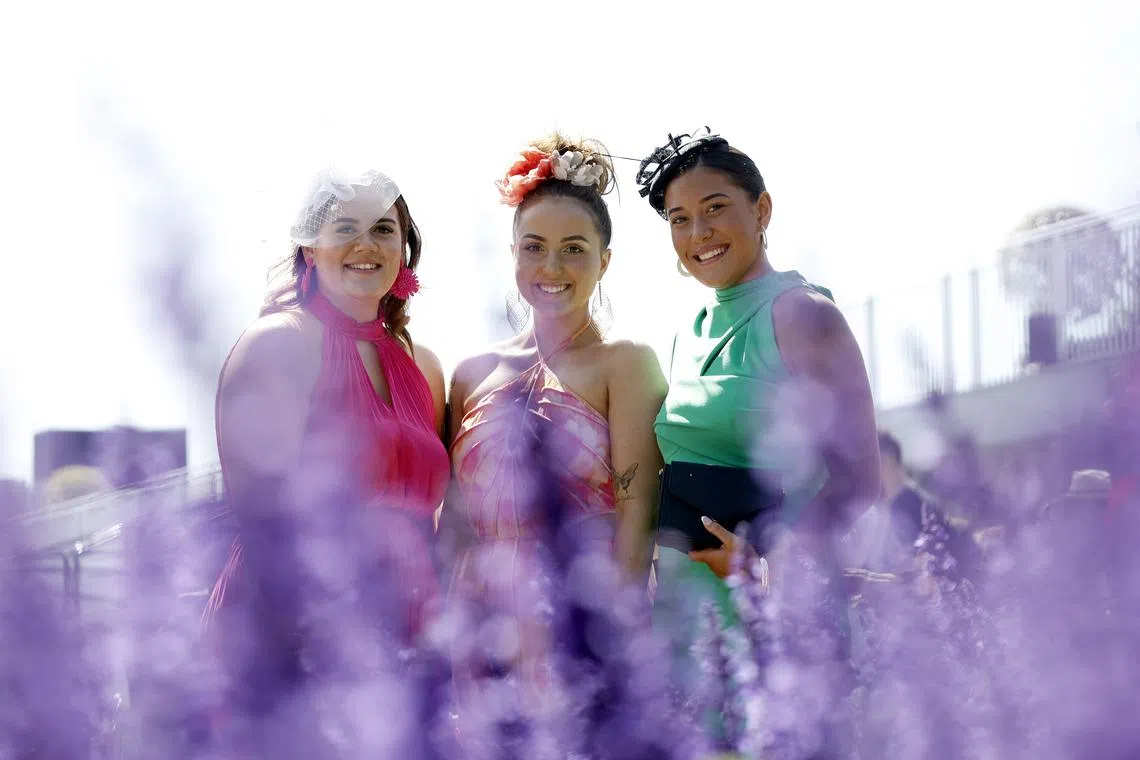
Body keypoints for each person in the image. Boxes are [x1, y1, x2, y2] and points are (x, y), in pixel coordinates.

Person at [636, 128, 880, 752]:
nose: (699, 234)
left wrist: (764, 560)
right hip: (691, 617)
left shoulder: (803, 313)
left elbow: (861, 478)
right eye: (679, 219)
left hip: (778, 602)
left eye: (716, 208)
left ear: (762, 210)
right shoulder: (685, 328)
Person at [201, 168, 449, 725]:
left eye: (384, 229)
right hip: (298, 633)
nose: (366, 245)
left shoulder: (422, 364)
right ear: (310, 248)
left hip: (410, 636)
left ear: (403, 250)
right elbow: (262, 525)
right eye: (345, 227)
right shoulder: (280, 344)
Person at [443, 134, 666, 724]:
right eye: (535, 247)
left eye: (574, 248)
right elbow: (455, 529)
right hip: (483, 638)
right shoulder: (470, 375)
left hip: (583, 634)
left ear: (604, 260)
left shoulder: (626, 364)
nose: (551, 267)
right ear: (513, 252)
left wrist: (607, 643)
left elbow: (635, 515)